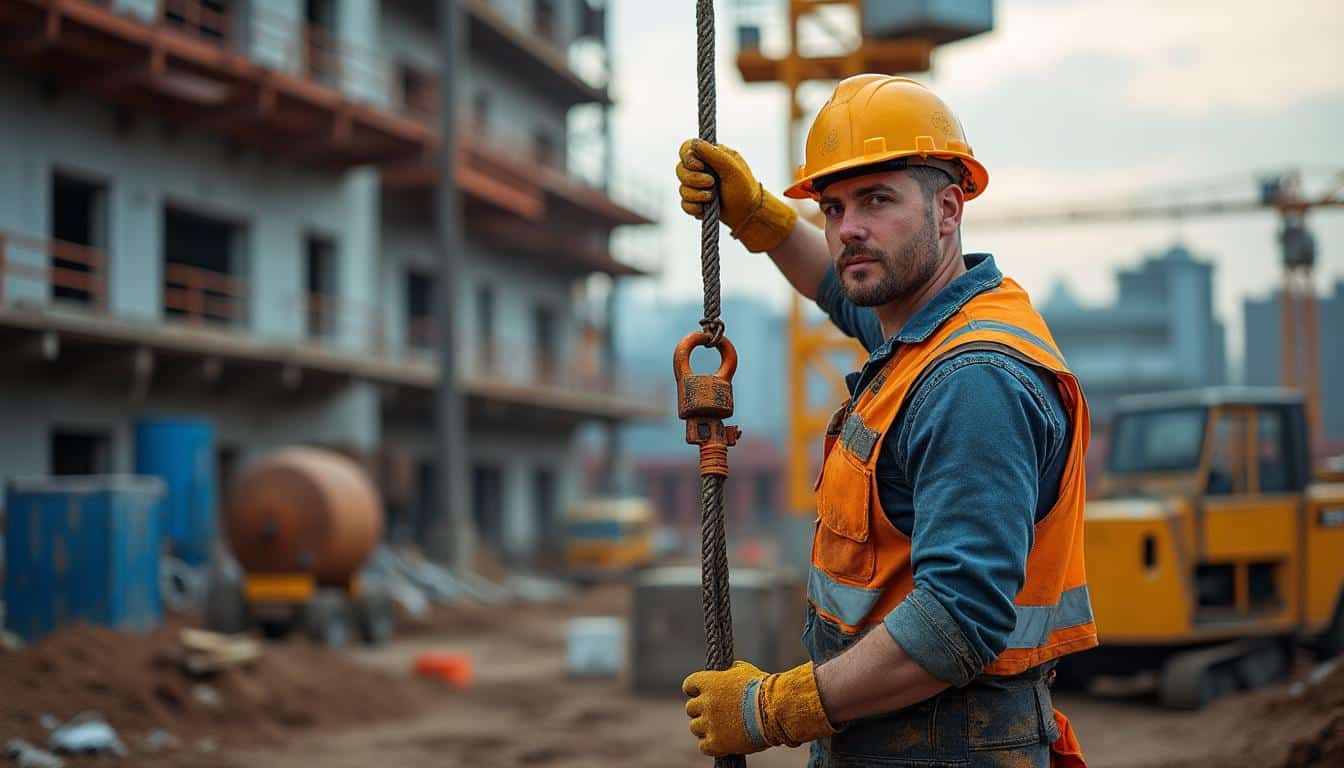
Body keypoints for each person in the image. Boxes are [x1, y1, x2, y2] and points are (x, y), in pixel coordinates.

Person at [677, 75, 1094, 767]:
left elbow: (957, 622)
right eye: (834, 208)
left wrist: (769, 710)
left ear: (949, 211)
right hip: (910, 735)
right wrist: (759, 218)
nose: (848, 230)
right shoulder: (927, 330)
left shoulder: (973, 381)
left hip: (943, 743)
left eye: (877, 201)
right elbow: (844, 292)